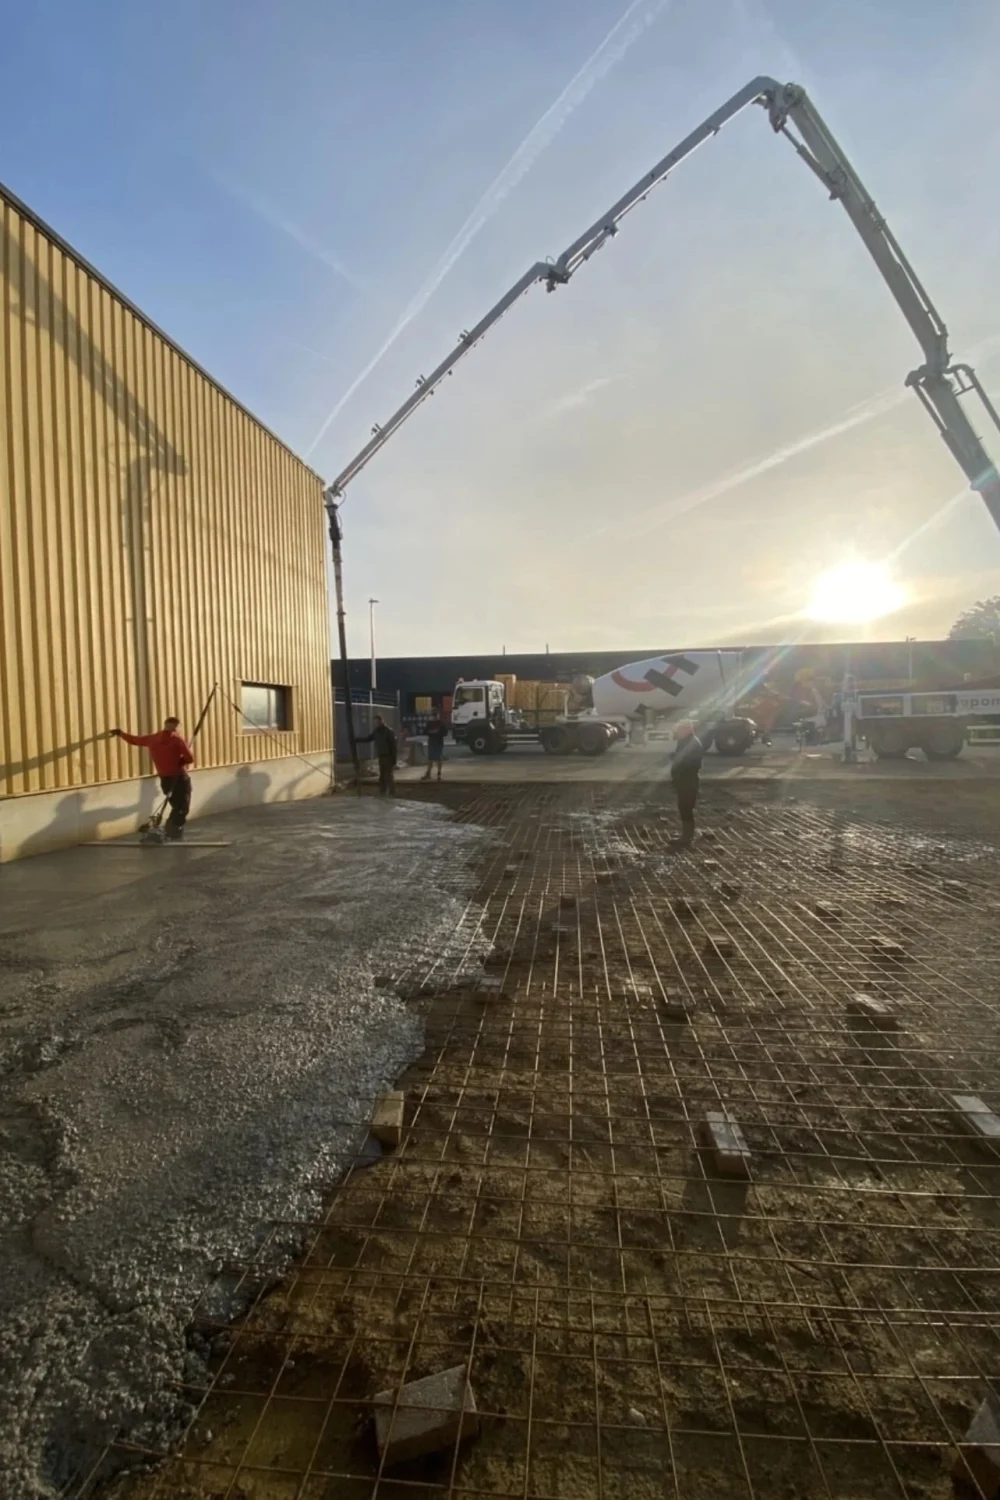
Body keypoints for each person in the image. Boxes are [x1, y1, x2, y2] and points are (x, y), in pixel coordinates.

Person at [109, 715, 194, 840]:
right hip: (179, 777)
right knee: (182, 806)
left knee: (176, 804)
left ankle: (171, 829)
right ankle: (173, 831)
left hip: (165, 779)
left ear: (165, 724)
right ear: (176, 727)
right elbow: (190, 759)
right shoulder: (177, 740)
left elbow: (134, 740)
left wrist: (120, 733)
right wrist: (182, 760)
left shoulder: (152, 739)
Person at [669, 720, 703, 845]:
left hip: (688, 781)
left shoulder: (692, 743)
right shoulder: (686, 741)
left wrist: (679, 761)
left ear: (687, 730)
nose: (677, 732)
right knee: (684, 807)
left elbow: (693, 763)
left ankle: (687, 837)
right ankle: (686, 834)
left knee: (686, 808)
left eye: (679, 730)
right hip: (683, 780)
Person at [358, 714, 398, 796]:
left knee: (389, 775)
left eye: (378, 722)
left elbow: (393, 746)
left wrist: (394, 759)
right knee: (382, 775)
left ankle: (392, 792)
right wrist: (357, 740)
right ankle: (383, 791)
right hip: (381, 756)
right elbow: (368, 738)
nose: (376, 724)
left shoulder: (388, 731)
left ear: (382, 721)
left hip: (388, 756)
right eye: (375, 722)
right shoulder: (376, 732)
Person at [423, 708, 446, 782]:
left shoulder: (439, 723)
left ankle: (434, 774)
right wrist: (434, 732)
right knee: (433, 759)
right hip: (435, 742)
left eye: (434, 715)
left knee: (434, 759)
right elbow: (425, 731)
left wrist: (433, 732)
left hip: (436, 742)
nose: (434, 716)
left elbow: (445, 732)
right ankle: (433, 774)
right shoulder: (434, 723)